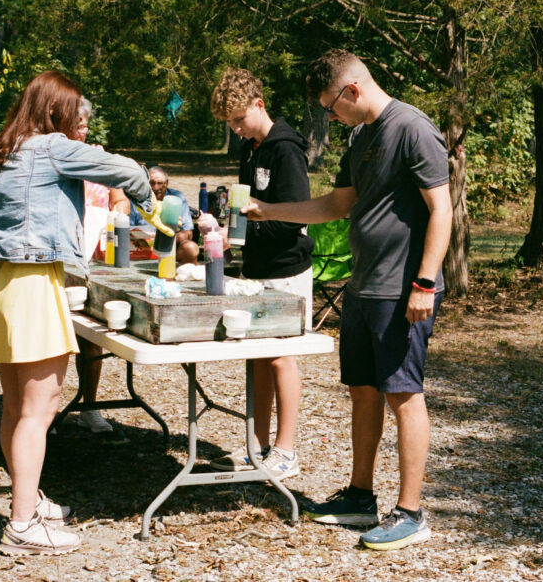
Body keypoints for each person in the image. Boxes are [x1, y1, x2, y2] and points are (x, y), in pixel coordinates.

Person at [241, 50, 452, 551]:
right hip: (363, 286)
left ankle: (411, 511)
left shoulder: (412, 129)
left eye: (331, 107)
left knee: (404, 394)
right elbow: (339, 203)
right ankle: (360, 497)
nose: (329, 117)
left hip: (402, 290)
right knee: (362, 389)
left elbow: (442, 210)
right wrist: (271, 210)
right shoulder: (361, 135)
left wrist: (424, 282)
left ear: (352, 90)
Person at [0, 71, 160, 556]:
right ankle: (22, 526)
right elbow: (130, 172)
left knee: (16, 407)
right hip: (36, 284)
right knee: (41, 409)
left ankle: (26, 499)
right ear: (55, 113)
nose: (76, 122)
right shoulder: (52, 147)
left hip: (2, 286)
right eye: (71, 113)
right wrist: (153, 209)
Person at [208, 68, 313, 479]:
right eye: (229, 124)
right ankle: (259, 444)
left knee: (281, 358)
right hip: (256, 267)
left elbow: (293, 217)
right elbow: (245, 206)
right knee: (257, 358)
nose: (235, 130)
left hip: (286, 268)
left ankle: (286, 450)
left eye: (239, 120)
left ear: (259, 104)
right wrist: (227, 226)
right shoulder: (251, 147)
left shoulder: (285, 150)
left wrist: (245, 229)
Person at [70, 96, 126, 435]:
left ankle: (89, 406)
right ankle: (42, 415)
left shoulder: (100, 156)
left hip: (98, 258)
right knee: (56, 337)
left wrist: (119, 207)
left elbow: (118, 196)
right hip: (63, 258)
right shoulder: (53, 158)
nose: (83, 129)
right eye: (77, 123)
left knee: (93, 335)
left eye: (85, 123)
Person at [130, 166, 198, 264]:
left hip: (170, 246)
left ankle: (187, 275)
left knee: (190, 248)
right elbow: (128, 230)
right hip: (141, 247)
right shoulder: (136, 199)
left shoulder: (176, 197)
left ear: (166, 184)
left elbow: (188, 232)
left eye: (160, 183)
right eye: (151, 183)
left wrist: (165, 240)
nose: (156, 187)